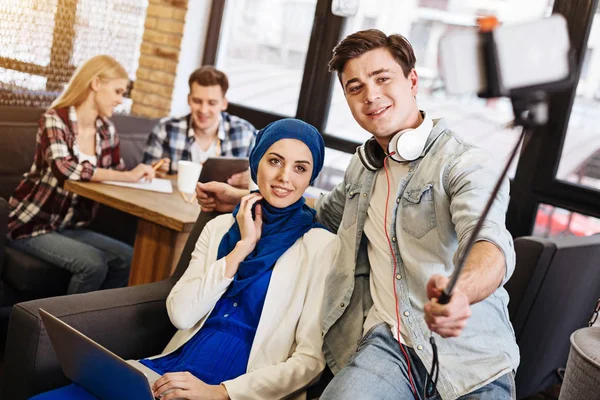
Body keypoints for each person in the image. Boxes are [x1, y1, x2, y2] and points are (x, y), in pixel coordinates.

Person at [196, 29, 520, 399]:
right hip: (389, 349)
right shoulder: (362, 168)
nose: (371, 96)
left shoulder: (465, 162)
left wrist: (459, 291)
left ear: (412, 80)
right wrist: (243, 197)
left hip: (472, 361)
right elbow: (320, 215)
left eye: (382, 79)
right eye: (355, 87)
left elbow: (489, 243)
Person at [31, 118, 337, 400]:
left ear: (311, 175)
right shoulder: (219, 228)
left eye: (300, 168)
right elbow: (181, 314)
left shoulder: (322, 246)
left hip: (239, 389)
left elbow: (309, 362)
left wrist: (220, 392)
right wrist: (242, 247)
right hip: (170, 371)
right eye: (275, 161)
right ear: (257, 163)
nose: (285, 177)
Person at [6, 55, 155, 295]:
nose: (120, 100)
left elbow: (116, 173)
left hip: (72, 225)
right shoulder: (54, 120)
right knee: (92, 263)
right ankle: (63, 327)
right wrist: (126, 177)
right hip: (33, 225)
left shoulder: (107, 130)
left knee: (128, 257)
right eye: (117, 91)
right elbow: (64, 169)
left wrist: (140, 173)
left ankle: (97, 320)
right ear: (96, 83)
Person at [142, 66, 257, 188]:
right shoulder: (165, 130)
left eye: (212, 103)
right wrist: (154, 173)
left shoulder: (246, 134)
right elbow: (144, 178)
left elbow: (267, 179)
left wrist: (254, 179)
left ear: (223, 104)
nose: (203, 110)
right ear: (188, 99)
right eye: (197, 101)